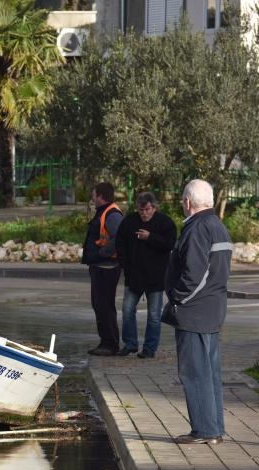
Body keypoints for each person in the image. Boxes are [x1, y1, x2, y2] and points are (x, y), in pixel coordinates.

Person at [163, 179, 232, 445]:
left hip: (194, 312)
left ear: (188, 202)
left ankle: (204, 430)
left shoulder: (197, 228)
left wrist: (178, 299)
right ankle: (214, 429)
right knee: (210, 373)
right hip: (212, 311)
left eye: (182, 201)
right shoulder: (218, 227)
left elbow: (195, 275)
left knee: (194, 373)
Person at [114, 192, 177, 358]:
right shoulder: (129, 221)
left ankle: (149, 349)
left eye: (147, 209)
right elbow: (120, 244)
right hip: (134, 275)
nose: (144, 213)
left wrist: (150, 237)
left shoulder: (165, 223)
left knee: (154, 316)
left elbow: (170, 244)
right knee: (127, 311)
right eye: (140, 210)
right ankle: (130, 344)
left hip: (156, 277)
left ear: (154, 208)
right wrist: (125, 266)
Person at [81, 182, 123, 356]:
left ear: (100, 196)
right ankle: (105, 342)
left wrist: (102, 253)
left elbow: (118, 237)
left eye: (94, 194)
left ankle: (110, 344)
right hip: (100, 266)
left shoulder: (112, 214)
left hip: (107, 268)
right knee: (99, 305)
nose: (92, 197)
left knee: (104, 306)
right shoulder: (104, 212)